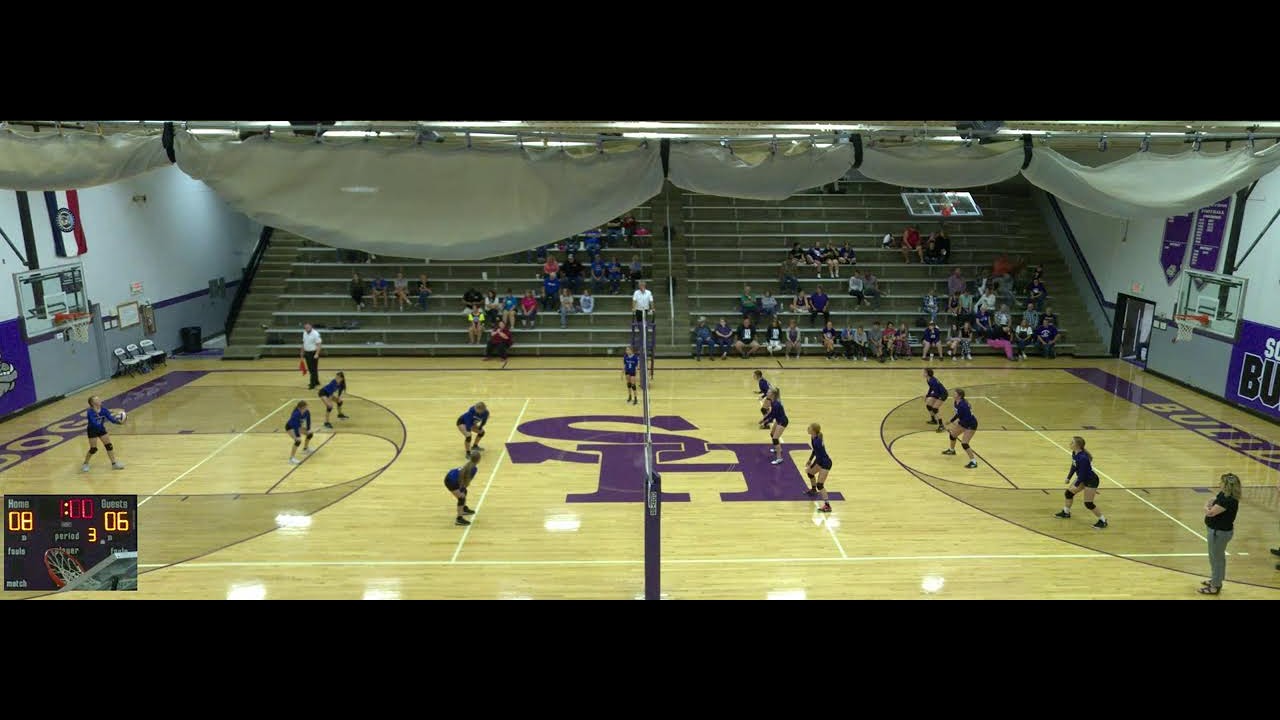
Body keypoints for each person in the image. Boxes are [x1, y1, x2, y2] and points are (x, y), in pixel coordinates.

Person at [1200, 472, 1242, 595]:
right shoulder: (1224, 495)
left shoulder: (1228, 500)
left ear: (1227, 485)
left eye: (1221, 482)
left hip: (1219, 533)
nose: (1219, 484)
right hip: (1217, 531)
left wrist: (1205, 507)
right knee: (1214, 557)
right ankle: (1215, 579)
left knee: (1217, 559)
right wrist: (1211, 503)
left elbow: (1211, 512)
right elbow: (1214, 500)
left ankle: (1215, 586)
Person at [1054, 437, 1108, 529]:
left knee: (1088, 503)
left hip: (1090, 480)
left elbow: (1082, 474)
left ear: (1077, 445)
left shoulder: (1083, 458)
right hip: (1083, 479)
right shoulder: (1075, 453)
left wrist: (1077, 484)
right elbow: (1074, 466)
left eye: (1072, 442)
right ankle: (1066, 512)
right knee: (1069, 493)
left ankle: (1103, 520)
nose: (1070, 443)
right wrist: (1068, 477)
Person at [81, 396, 125, 472]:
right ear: (92, 403)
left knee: (109, 446)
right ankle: (85, 463)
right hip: (92, 430)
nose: (100, 400)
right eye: (97, 400)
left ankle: (114, 464)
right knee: (93, 449)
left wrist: (119, 422)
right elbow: (93, 422)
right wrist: (98, 419)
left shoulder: (104, 410)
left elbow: (110, 418)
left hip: (101, 429)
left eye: (99, 399)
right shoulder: (90, 412)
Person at [941, 388, 979, 469]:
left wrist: (958, 423)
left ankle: (973, 462)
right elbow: (958, 414)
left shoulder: (963, 405)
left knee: (964, 443)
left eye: (955, 394)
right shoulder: (956, 402)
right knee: (952, 435)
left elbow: (967, 418)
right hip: (964, 422)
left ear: (959, 396)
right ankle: (952, 450)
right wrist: (951, 421)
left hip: (971, 424)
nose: (953, 394)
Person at [445, 449, 481, 526]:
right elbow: (466, 481)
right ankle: (459, 519)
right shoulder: (473, 469)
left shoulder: (469, 464)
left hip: (451, 476)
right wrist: (462, 489)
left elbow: (463, 479)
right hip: (451, 481)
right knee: (462, 497)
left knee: (464, 492)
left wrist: (462, 488)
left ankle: (463, 509)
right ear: (478, 460)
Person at [804, 422, 834, 513]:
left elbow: (819, 456)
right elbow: (814, 451)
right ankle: (813, 490)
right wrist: (810, 460)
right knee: (810, 473)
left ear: (813, 430)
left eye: (809, 428)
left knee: (820, 485)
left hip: (825, 463)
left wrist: (811, 465)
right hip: (820, 461)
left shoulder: (817, 441)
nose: (807, 428)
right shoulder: (814, 437)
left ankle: (827, 505)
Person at [759, 387, 789, 465]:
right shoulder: (773, 402)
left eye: (768, 392)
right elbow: (771, 413)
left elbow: (773, 416)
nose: (767, 393)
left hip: (782, 421)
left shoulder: (776, 404)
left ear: (772, 395)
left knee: (775, 438)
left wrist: (765, 423)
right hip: (779, 420)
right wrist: (763, 419)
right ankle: (777, 449)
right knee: (772, 434)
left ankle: (779, 458)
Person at [285, 400, 313, 465]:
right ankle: (291, 459)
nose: (307, 408)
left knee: (310, 434)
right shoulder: (296, 414)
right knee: (298, 441)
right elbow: (295, 425)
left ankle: (305, 449)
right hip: (290, 427)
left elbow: (308, 420)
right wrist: (297, 436)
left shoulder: (306, 412)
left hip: (298, 427)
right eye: (306, 407)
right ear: (301, 407)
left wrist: (308, 429)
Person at [300, 322, 322, 390]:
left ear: (311, 327)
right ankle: (316, 381)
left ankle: (312, 384)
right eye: (305, 327)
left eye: (308, 327)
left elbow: (319, 345)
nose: (307, 329)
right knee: (312, 369)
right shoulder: (304, 333)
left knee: (312, 369)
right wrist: (302, 352)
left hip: (313, 353)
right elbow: (304, 343)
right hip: (307, 353)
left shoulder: (315, 334)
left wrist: (317, 354)